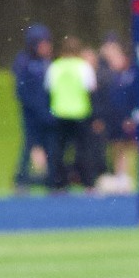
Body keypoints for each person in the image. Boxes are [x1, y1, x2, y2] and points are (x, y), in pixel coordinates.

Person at [44, 36, 98, 192]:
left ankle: (58, 184)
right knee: (84, 151)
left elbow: (49, 89)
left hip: (60, 113)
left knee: (59, 151)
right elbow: (91, 89)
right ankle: (88, 183)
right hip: (80, 113)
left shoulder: (55, 67)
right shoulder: (83, 67)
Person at [11, 23, 53, 194]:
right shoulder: (24, 62)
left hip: (47, 112)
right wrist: (35, 107)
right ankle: (21, 179)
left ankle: (50, 179)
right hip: (31, 114)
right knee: (29, 145)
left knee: (50, 146)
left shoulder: (47, 62)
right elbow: (21, 90)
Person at [93, 35, 138, 190]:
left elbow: (132, 97)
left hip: (128, 117)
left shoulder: (131, 74)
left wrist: (130, 116)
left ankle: (130, 177)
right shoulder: (110, 75)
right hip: (114, 118)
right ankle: (121, 177)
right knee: (117, 146)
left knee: (131, 145)